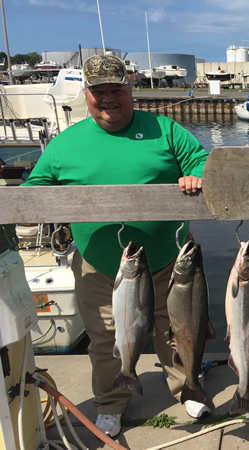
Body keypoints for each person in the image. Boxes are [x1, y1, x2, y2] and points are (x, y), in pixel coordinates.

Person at [22, 54, 210, 437]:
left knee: (174, 329)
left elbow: (202, 160)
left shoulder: (165, 130)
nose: (108, 99)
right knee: (106, 339)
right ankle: (111, 401)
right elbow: (33, 191)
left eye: (116, 90)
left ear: (130, 90)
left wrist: (195, 175)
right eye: (99, 92)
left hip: (167, 262)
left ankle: (186, 387)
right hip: (99, 266)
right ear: (87, 95)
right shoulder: (64, 144)